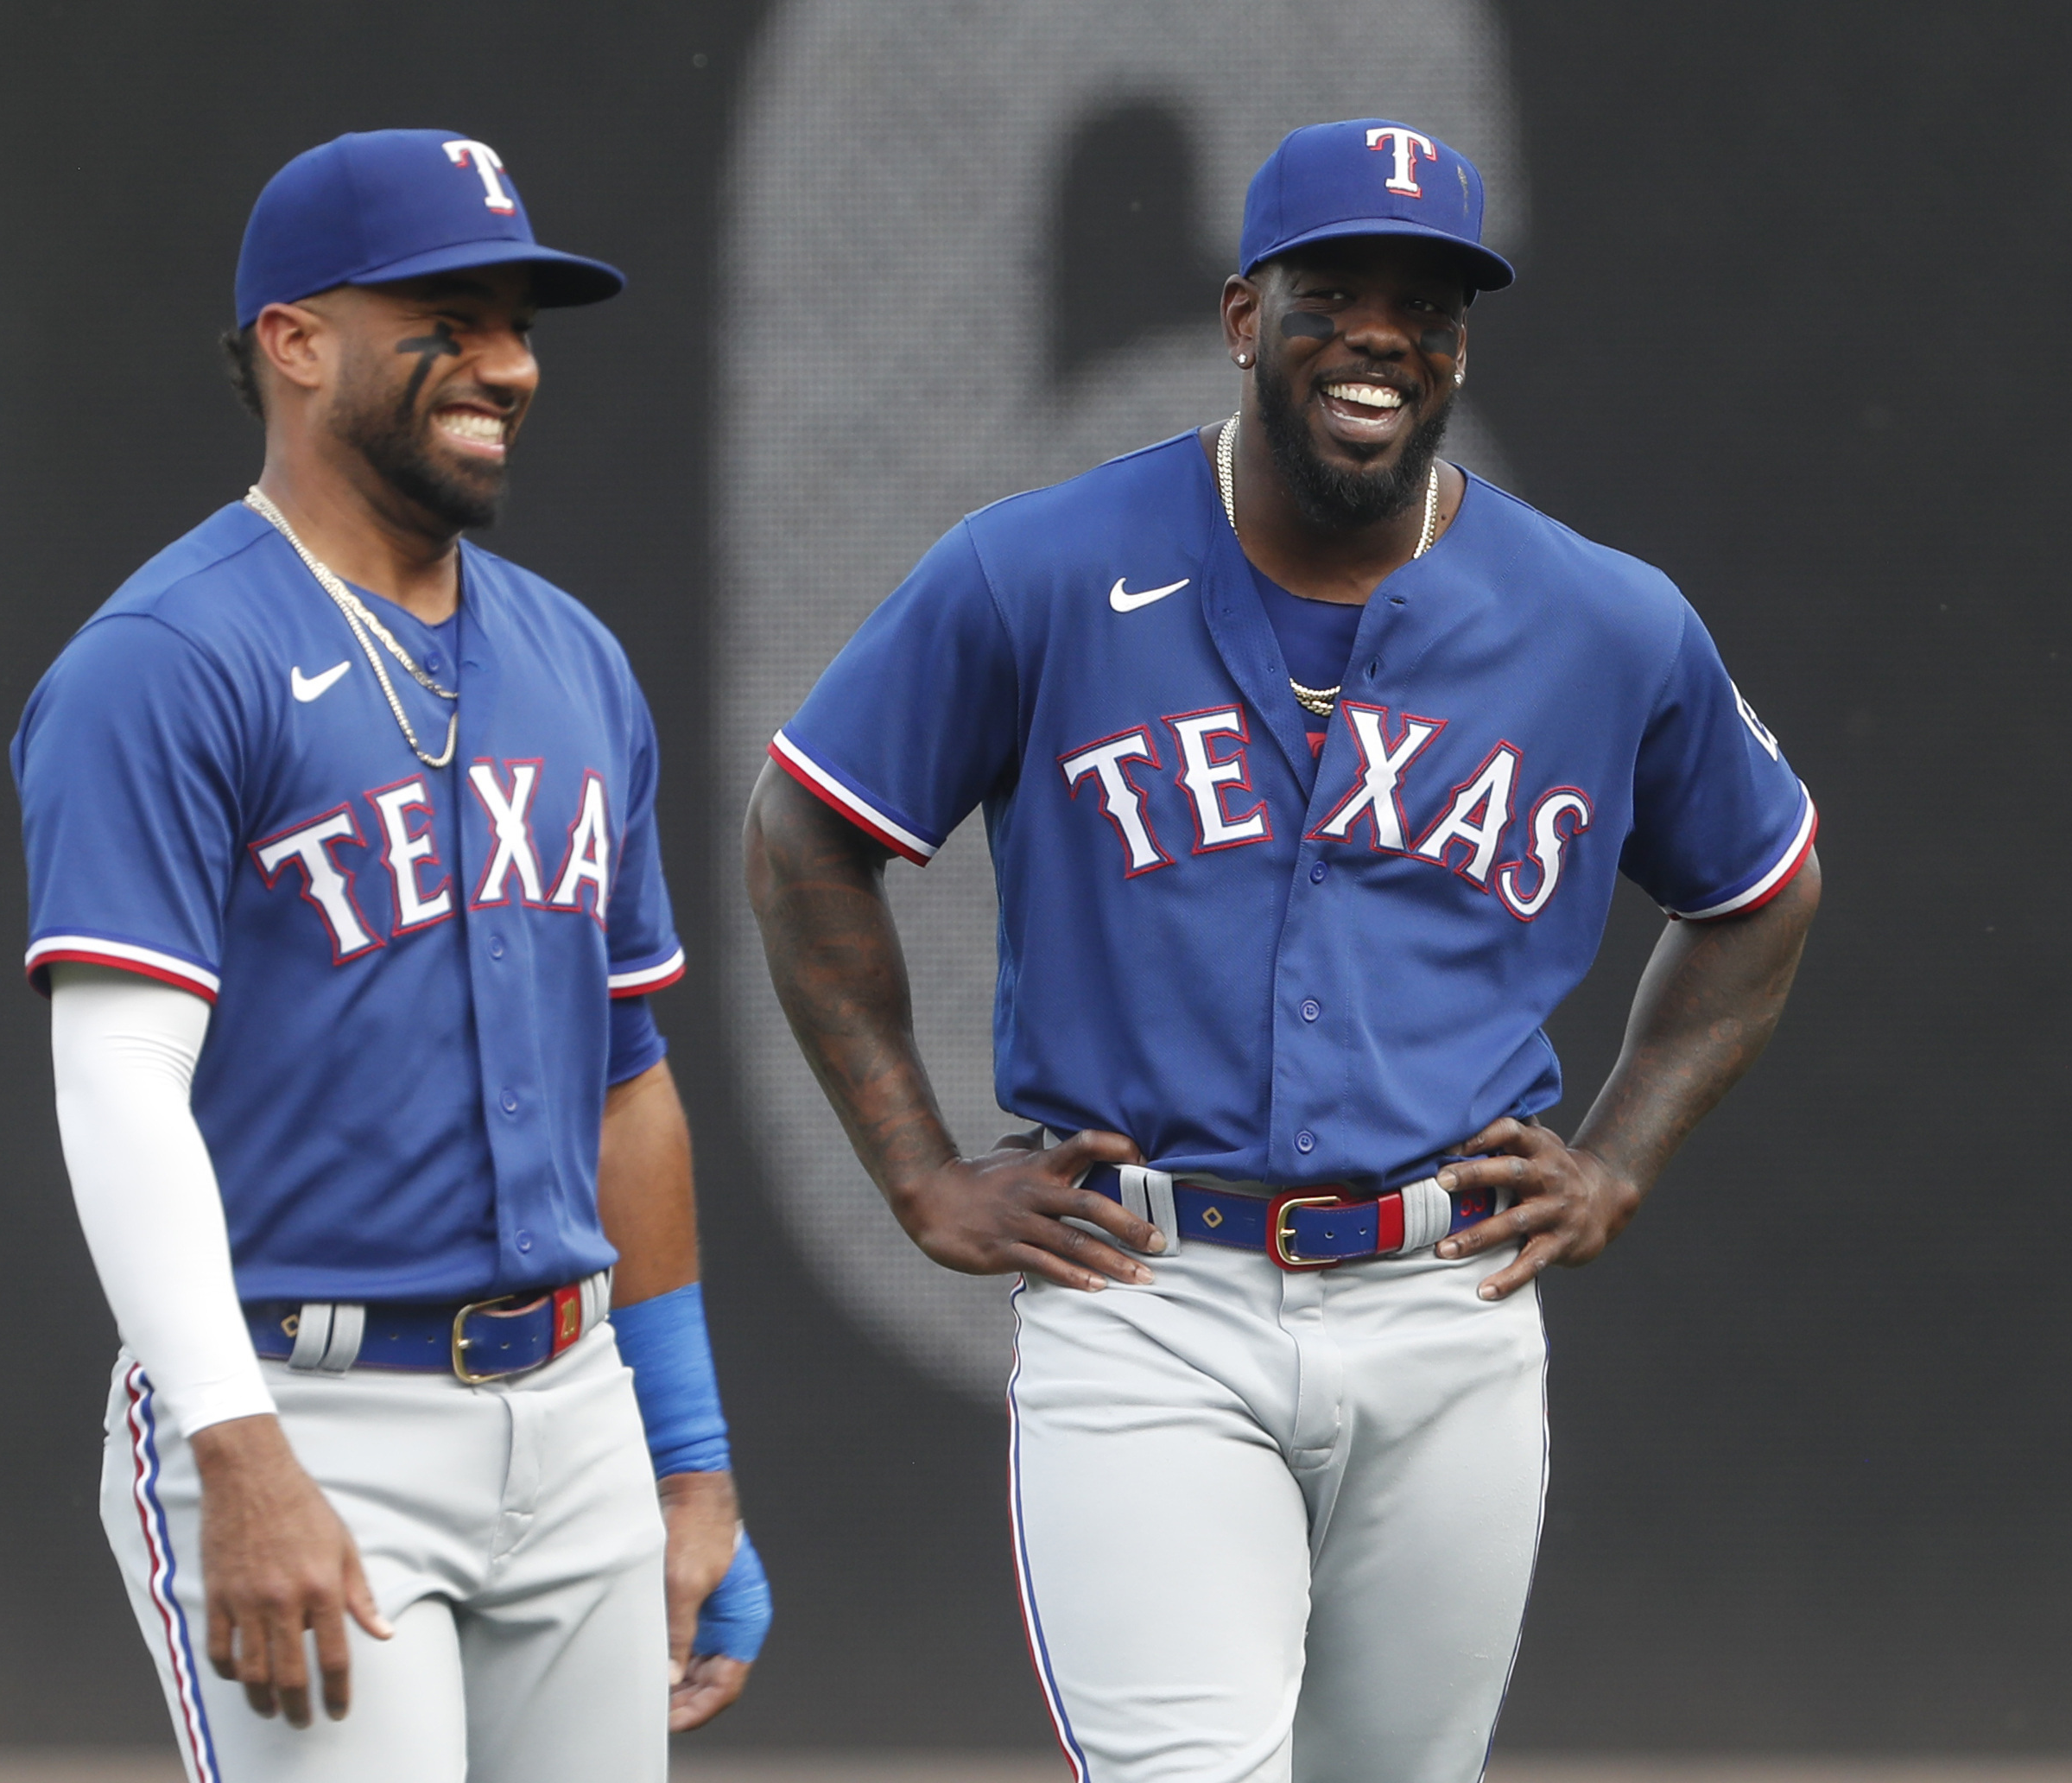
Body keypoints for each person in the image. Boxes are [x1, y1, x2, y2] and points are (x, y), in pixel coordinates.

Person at [745, 118, 1817, 1782]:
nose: (1383, 333)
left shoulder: (1603, 621)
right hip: (1151, 1296)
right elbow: (810, 826)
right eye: (1338, 291)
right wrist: (918, 1174)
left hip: (1448, 1303)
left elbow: (1762, 883)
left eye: (1429, 302)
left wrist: (1614, 1162)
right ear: (1246, 317)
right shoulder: (1037, 568)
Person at [15, 129, 767, 1782]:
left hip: (572, 1415)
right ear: (294, 340)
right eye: (449, 312)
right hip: (305, 1404)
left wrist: (689, 1461)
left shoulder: (575, 658)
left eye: (521, 321)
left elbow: (628, 1084)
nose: (508, 361)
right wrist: (242, 1454)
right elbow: (118, 1079)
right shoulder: (166, 660)